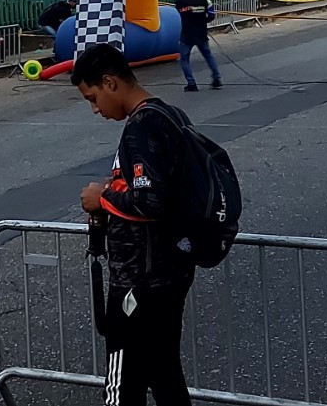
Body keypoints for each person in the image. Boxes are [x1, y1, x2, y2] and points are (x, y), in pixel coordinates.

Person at [71, 44, 197, 406]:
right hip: (170, 273)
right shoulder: (170, 114)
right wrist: (113, 196)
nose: (95, 109)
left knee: (123, 385)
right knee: (165, 375)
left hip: (138, 283)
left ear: (110, 83)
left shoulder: (141, 127)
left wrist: (102, 199)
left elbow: (151, 200)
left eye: (93, 98)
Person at [172, 0, 221, 92]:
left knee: (184, 59)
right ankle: (217, 79)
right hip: (201, 33)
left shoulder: (180, 1)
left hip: (187, 35)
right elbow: (211, 15)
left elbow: (177, 15)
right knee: (208, 56)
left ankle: (191, 83)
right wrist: (203, 21)